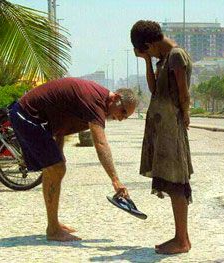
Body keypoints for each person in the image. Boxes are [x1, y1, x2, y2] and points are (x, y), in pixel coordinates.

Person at [9, 77, 138, 241]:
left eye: (125, 117)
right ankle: (53, 229)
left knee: (57, 166)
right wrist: (115, 180)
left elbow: (60, 121)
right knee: (56, 168)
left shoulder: (99, 102)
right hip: (26, 114)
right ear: (116, 98)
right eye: (123, 112)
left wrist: (59, 150)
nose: (121, 118)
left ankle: (53, 224)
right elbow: (100, 143)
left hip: (35, 117)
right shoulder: (96, 102)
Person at [131, 20, 193, 254]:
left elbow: (183, 93)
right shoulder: (164, 59)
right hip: (164, 127)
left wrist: (185, 114)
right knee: (171, 180)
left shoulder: (176, 55)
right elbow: (155, 90)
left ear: (149, 43)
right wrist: (148, 60)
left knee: (176, 182)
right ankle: (182, 237)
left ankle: (181, 240)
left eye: (146, 50)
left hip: (171, 127)